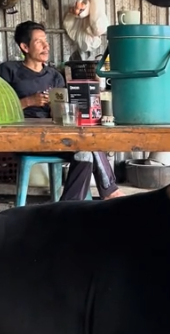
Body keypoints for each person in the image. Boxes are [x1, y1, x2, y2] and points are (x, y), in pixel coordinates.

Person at [0, 20, 125, 201]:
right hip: (23, 137)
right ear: (24, 47)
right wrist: (29, 101)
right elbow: (2, 109)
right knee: (88, 147)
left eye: (46, 40)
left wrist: (59, 110)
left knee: (85, 152)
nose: (46, 46)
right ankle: (110, 192)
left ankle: (67, 208)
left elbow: (61, 115)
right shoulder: (8, 71)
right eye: (39, 42)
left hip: (53, 135)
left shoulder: (54, 76)